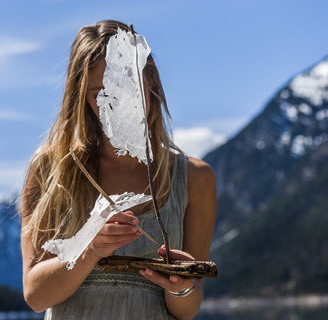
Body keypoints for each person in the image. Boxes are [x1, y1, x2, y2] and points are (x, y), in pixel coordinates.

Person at [20, 20, 217, 320]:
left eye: (125, 86)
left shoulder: (194, 178)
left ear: (149, 81)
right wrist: (89, 250)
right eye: (100, 93)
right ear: (84, 100)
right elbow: (35, 294)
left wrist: (181, 287)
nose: (116, 104)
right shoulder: (51, 169)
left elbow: (187, 309)